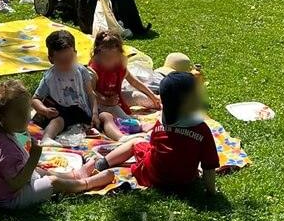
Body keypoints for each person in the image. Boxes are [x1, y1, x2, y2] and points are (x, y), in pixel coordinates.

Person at [0, 80, 114, 208]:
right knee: (53, 181)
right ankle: (85, 183)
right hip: (7, 199)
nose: (27, 117)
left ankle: (75, 175)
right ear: (1, 117)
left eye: (27, 111)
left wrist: (30, 162)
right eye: (19, 114)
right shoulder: (5, 147)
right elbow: (15, 185)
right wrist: (34, 157)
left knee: (38, 171)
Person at [88, 71, 219, 193]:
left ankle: (104, 162)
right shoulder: (202, 130)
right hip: (184, 181)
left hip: (153, 176)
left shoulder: (160, 124)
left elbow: (154, 147)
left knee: (136, 142)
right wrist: (211, 191)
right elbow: (209, 165)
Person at [88, 31, 161, 140]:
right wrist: (105, 101)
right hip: (100, 104)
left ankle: (163, 107)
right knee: (117, 111)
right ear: (98, 54)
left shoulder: (119, 64)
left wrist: (152, 95)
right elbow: (90, 93)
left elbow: (134, 81)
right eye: (107, 57)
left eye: (114, 57)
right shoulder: (94, 69)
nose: (111, 60)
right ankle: (137, 126)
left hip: (116, 96)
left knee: (137, 96)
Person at [31, 30, 99, 140]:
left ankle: (120, 138)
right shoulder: (50, 77)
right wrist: (45, 111)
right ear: (51, 59)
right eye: (61, 61)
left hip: (82, 111)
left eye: (70, 58)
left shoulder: (81, 71)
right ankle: (46, 141)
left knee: (106, 117)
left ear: (75, 53)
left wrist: (95, 113)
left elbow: (91, 94)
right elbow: (35, 99)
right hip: (62, 112)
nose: (66, 63)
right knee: (56, 122)